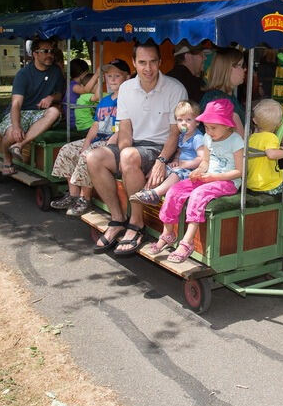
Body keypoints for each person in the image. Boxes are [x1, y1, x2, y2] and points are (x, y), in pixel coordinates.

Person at [85, 40, 187, 256]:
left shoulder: (175, 88)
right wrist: (123, 153)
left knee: (130, 155)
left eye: (152, 62)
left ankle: (137, 223)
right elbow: (125, 129)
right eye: (142, 62)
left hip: (159, 148)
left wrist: (161, 161)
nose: (147, 68)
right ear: (134, 62)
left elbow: (174, 133)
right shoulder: (126, 88)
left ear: (160, 62)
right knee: (93, 157)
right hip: (133, 147)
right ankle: (117, 218)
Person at [147, 99, 245, 263]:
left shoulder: (235, 141)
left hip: (227, 182)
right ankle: (168, 233)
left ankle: (187, 242)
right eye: (206, 127)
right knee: (175, 190)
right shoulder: (207, 137)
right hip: (208, 178)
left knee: (198, 195)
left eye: (213, 127)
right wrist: (199, 171)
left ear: (228, 125)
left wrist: (214, 177)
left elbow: (240, 171)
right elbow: (205, 162)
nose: (208, 131)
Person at [50, 59, 131, 216]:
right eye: (109, 76)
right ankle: (73, 195)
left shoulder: (129, 99)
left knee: (89, 155)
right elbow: (96, 124)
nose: (112, 79)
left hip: (113, 142)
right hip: (98, 138)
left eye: (117, 76)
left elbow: (127, 125)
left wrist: (112, 140)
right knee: (67, 149)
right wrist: (86, 142)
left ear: (127, 78)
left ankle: (84, 198)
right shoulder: (105, 100)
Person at [0, 37, 65, 175]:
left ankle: (20, 145)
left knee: (54, 111)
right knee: (12, 134)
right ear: (35, 53)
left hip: (41, 113)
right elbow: (16, 103)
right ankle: (7, 159)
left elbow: (60, 94)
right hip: (22, 111)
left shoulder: (56, 71)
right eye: (45, 51)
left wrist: (51, 97)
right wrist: (16, 127)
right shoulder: (23, 74)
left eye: (52, 51)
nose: (50, 55)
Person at [130, 100, 205, 206]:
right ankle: (147, 190)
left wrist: (184, 164)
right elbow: (179, 151)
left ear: (197, 122)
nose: (183, 123)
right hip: (181, 166)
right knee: (159, 171)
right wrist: (175, 160)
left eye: (188, 119)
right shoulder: (182, 136)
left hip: (192, 170)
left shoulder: (198, 138)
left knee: (176, 174)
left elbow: (202, 158)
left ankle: (156, 194)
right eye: (180, 120)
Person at [246, 99, 283, 194]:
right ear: (279, 124)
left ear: (254, 120)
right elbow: (271, 154)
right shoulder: (271, 137)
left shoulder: (252, 137)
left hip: (253, 182)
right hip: (269, 184)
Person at [198, 47, 247, 136]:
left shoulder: (225, 96)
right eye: (240, 65)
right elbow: (240, 139)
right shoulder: (220, 100)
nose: (244, 69)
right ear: (227, 69)